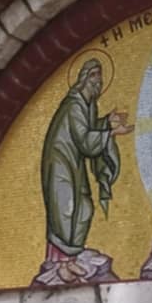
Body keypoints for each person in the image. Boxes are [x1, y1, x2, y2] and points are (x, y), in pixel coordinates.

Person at [39, 57, 130, 282]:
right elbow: (85, 141)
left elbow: (88, 130)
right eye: (94, 76)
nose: (98, 81)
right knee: (65, 208)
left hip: (74, 163)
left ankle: (71, 258)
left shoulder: (88, 104)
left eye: (100, 76)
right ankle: (61, 263)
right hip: (60, 163)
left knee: (84, 208)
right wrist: (111, 133)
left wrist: (106, 121)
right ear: (84, 78)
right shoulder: (74, 105)